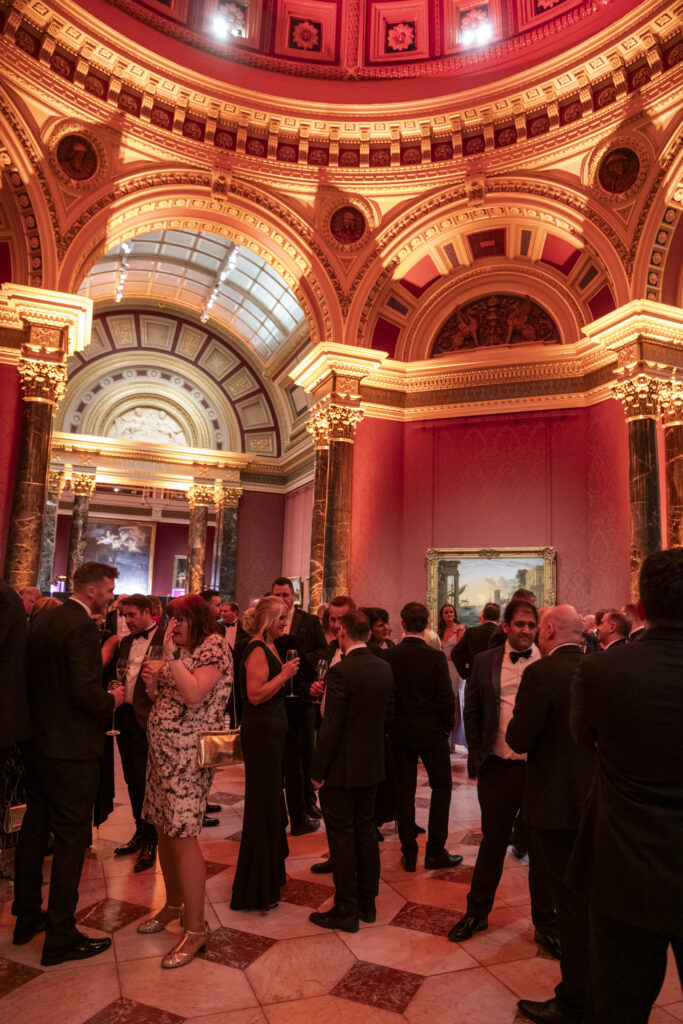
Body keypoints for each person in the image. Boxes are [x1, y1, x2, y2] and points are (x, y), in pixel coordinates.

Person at [570, 548, 683, 1024]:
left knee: (618, 1008)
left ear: (639, 607)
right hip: (629, 855)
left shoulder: (601, 670)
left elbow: (583, 741)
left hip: (625, 859)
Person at [13, 562, 124, 965]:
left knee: (34, 828)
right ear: (92, 591)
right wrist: (113, 699)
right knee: (73, 837)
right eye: (108, 590)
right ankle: (60, 934)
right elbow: (83, 692)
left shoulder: (44, 619)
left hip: (38, 743)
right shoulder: (80, 627)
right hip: (71, 749)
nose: (111, 597)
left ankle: (28, 916)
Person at [448, 597, 558, 954]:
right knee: (493, 842)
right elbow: (473, 709)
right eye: (520, 624)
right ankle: (476, 913)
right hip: (498, 768)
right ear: (506, 626)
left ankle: (546, 925)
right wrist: (477, 756)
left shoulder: (548, 662)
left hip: (539, 770)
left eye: (531, 625)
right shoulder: (485, 661)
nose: (526, 630)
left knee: (541, 849)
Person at [506, 606, 595, 1024]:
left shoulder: (541, 673)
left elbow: (519, 738)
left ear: (548, 630)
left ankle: (575, 1000)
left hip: (556, 803)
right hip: (597, 801)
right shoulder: (600, 669)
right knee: (591, 901)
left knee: (570, 905)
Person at [138, 593, 232, 968]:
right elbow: (164, 698)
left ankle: (195, 928)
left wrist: (171, 659)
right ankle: (173, 904)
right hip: (162, 754)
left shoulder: (214, 646)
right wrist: (152, 683)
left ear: (197, 619)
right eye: (170, 619)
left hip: (188, 758)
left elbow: (193, 696)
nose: (172, 626)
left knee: (182, 833)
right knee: (163, 828)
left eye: (180, 619)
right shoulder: (184, 649)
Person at [309, 609, 394, 932]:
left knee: (342, 836)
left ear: (342, 632)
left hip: (342, 768)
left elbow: (331, 727)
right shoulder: (384, 667)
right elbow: (389, 716)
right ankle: (368, 903)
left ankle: (346, 908)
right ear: (369, 634)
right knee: (366, 832)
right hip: (372, 764)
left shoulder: (341, 672)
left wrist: (317, 770)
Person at [230, 596, 299, 912]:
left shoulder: (269, 645)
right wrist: (284, 676)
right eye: (281, 618)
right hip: (261, 734)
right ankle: (256, 886)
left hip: (272, 732)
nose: (285, 623)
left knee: (271, 801)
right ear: (268, 620)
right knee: (261, 802)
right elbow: (255, 695)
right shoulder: (256, 648)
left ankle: (270, 875)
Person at [384, 602, 462, 872]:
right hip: (431, 732)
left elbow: (388, 697)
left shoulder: (390, 657)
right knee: (442, 787)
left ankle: (408, 852)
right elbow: (445, 697)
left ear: (403, 624)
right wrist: (446, 728)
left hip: (400, 732)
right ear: (427, 624)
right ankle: (435, 851)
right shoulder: (435, 657)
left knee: (404, 791)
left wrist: (390, 726)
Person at [111, 594, 165, 872]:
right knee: (131, 778)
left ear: (147, 612)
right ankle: (139, 832)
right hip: (125, 716)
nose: (127, 620)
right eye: (124, 615)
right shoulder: (125, 642)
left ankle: (152, 840)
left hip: (150, 718)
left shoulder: (165, 640)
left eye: (131, 614)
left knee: (146, 782)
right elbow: (123, 674)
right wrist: (114, 684)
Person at [271, 576, 326, 825]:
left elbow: (322, 652)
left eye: (285, 594)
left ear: (293, 596)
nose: (282, 599)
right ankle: (284, 804)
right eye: (277, 595)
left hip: (303, 693)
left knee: (305, 751)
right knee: (283, 754)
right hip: (277, 693)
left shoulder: (309, 621)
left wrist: (302, 658)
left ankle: (308, 800)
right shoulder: (268, 621)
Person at [437, 603, 466, 749]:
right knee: (443, 702)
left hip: (455, 667)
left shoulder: (460, 629)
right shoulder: (438, 631)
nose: (449, 614)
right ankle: (443, 738)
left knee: (455, 704)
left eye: (451, 612)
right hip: (442, 667)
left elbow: (460, 648)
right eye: (446, 612)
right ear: (442, 616)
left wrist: (446, 657)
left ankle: (453, 741)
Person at [451, 602, 500, 678]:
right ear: (499, 618)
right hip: (498, 678)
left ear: (483, 616)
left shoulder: (471, 632)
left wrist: (466, 673)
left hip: (475, 677)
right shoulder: (504, 634)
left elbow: (455, 653)